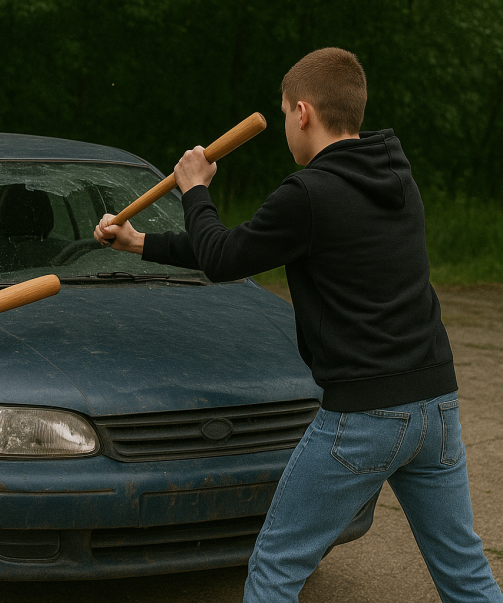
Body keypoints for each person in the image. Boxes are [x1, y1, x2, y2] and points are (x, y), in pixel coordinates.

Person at [95, 47, 503, 602]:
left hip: (364, 415)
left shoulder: (307, 194)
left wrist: (194, 187)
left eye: (285, 111)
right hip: (437, 405)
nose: (287, 121)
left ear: (303, 112)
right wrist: (141, 243)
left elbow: (222, 259)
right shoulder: (396, 177)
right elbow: (237, 247)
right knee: (464, 572)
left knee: (276, 567)